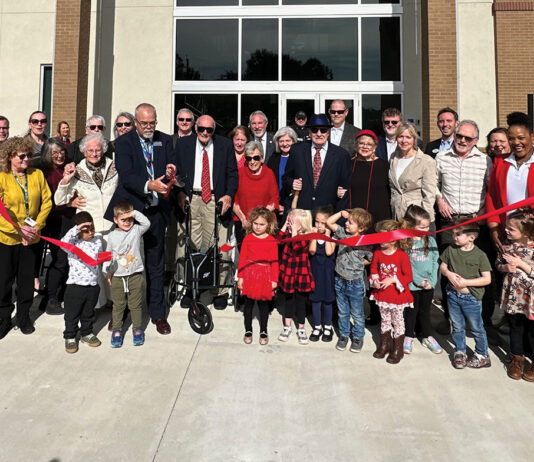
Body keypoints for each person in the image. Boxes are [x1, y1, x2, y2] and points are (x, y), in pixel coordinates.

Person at [105, 103, 176, 334]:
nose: (148, 127)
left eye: (152, 122)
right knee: (126, 264)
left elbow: (172, 167)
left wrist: (171, 172)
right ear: (135, 122)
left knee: (156, 264)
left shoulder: (164, 140)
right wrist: (148, 185)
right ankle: (122, 312)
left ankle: (157, 314)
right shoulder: (124, 143)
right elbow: (126, 176)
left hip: (156, 212)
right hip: (131, 212)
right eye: (144, 123)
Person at [174, 114, 238, 310]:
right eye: (201, 129)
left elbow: (232, 174)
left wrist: (228, 196)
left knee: (218, 246)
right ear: (195, 128)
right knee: (188, 246)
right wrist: (179, 194)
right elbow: (175, 173)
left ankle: (219, 290)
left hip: (214, 199)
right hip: (191, 198)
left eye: (209, 130)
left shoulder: (224, 145)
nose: (204, 133)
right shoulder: (183, 144)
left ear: (213, 131)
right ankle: (190, 288)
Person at [436, 119, 493, 333]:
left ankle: (484, 322)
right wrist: (440, 200)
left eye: (467, 138)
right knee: (448, 269)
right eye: (459, 136)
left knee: (481, 269)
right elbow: (434, 184)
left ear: (475, 141)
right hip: (450, 222)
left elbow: (491, 189)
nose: (461, 140)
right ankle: (451, 319)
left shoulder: (484, 160)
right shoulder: (441, 157)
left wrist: (483, 211)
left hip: (475, 222)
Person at [0, 137, 52, 339]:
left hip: (32, 238)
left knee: (26, 280)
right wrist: (17, 230)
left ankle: (23, 316)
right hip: (7, 238)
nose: (26, 160)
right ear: (10, 156)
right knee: (4, 281)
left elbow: (47, 201)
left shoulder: (36, 174)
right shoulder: (3, 177)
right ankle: (4, 317)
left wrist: (36, 226)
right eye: (21, 156)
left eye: (29, 155)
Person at [440, 223, 492, 369]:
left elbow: (487, 279)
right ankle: (460, 351)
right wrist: (448, 274)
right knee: (457, 326)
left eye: (458, 234)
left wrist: (466, 282)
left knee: (476, 328)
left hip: (471, 299)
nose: (454, 237)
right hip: (452, 295)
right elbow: (443, 266)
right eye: (453, 233)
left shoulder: (480, 255)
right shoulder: (451, 249)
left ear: (471, 237)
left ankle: (482, 355)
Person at [282, 113, 351, 212]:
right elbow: (286, 178)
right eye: (314, 130)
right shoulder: (297, 150)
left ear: (328, 132)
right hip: (302, 212)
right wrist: (292, 183)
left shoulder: (341, 155)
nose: (319, 134)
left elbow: (346, 188)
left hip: (327, 214)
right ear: (309, 132)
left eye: (323, 130)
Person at [327, 208, 373, 352]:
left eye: (351, 222)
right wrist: (341, 213)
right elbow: (329, 222)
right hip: (339, 280)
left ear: (362, 228)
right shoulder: (342, 233)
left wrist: (359, 263)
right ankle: (344, 335)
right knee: (343, 311)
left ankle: (358, 336)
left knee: (357, 313)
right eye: (347, 221)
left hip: (355, 282)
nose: (346, 224)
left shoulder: (365, 241)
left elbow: (370, 259)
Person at [487, 112, 534, 253]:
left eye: (521, 138)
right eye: (511, 139)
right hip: (508, 233)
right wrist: (494, 229)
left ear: (532, 137)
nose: (516, 143)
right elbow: (492, 197)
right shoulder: (500, 162)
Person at [105, 203, 150, 348]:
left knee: (135, 305)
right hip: (117, 276)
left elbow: (146, 222)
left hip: (135, 275)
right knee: (118, 305)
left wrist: (134, 213)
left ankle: (137, 329)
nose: (127, 222)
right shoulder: (111, 236)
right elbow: (109, 256)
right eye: (123, 219)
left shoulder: (136, 230)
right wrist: (107, 271)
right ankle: (117, 330)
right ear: (115, 220)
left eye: (129, 219)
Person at [495, 210, 534, 381]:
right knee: (516, 327)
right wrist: (505, 268)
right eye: (507, 227)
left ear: (525, 232)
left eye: (511, 229)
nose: (506, 231)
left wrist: (521, 264)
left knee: (532, 330)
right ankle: (517, 358)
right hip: (513, 297)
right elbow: (498, 264)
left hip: (530, 298)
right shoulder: (507, 246)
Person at [40, 138, 76, 315]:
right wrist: (69, 204)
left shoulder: (66, 169)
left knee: (67, 259)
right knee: (60, 260)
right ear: (48, 154)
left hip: (69, 221)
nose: (60, 155)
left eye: (62, 151)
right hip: (56, 221)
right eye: (55, 152)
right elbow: (47, 202)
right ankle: (51, 298)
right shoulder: (46, 173)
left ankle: (56, 294)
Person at [370, 220, 414, 364]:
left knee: (398, 321)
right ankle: (384, 345)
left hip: (397, 296)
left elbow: (408, 277)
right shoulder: (377, 252)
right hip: (382, 294)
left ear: (394, 239)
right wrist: (375, 279)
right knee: (385, 320)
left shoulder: (401, 256)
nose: (380, 240)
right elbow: (374, 269)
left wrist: (393, 279)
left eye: (383, 237)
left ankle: (397, 349)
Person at [61, 212, 103, 354]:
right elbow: (64, 242)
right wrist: (77, 229)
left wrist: (109, 267)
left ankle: (86, 333)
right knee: (72, 314)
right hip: (75, 287)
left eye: (92, 229)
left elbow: (101, 257)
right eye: (86, 231)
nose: (90, 233)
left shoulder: (97, 240)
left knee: (88, 313)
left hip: (92, 286)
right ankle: (70, 336)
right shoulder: (73, 243)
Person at [403, 205, 442, 355]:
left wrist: (431, 281)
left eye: (427, 227)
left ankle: (426, 335)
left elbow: (435, 260)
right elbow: (407, 265)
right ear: (410, 225)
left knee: (425, 311)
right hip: (413, 285)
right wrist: (419, 281)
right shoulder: (406, 242)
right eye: (421, 227)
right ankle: (408, 335)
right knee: (411, 312)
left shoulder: (430, 241)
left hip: (428, 285)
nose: (425, 230)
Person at [237, 207, 278, 346]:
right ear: (251, 223)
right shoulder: (248, 239)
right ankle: (248, 330)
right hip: (249, 274)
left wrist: (274, 280)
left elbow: (274, 262)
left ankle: (263, 330)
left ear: (268, 225)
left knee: (263, 305)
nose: (258, 227)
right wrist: (240, 277)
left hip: (264, 276)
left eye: (262, 224)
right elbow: (242, 258)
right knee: (248, 304)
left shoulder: (272, 240)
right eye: (255, 224)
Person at [338, 129, 391, 224]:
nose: (365, 147)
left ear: (375, 147)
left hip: (379, 217)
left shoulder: (384, 166)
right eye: (361, 143)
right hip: (354, 218)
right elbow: (340, 185)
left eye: (369, 144)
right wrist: (338, 191)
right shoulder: (348, 164)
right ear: (356, 145)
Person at [278, 209, 314, 344]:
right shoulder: (288, 233)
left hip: (301, 272)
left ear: (301, 224)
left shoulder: (306, 236)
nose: (289, 223)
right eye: (289, 220)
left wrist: (294, 232)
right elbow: (278, 241)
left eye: (292, 221)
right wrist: (284, 226)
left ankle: (301, 327)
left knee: (300, 302)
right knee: (288, 300)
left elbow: (298, 246)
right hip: (288, 272)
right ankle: (287, 326)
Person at [389, 122, 437, 222]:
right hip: (396, 214)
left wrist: (424, 219)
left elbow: (429, 194)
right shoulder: (394, 158)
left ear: (414, 139)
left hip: (416, 216)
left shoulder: (426, 161)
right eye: (400, 137)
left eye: (408, 137)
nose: (404, 141)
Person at [233, 141, 279, 245]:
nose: (252, 161)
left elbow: (274, 200)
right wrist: (244, 220)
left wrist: (260, 221)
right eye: (249, 158)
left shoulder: (269, 173)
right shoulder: (240, 173)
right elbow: (234, 200)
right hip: (243, 223)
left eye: (256, 158)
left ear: (262, 158)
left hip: (264, 224)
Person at [309, 206, 336, 343]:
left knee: (327, 300)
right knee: (315, 299)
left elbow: (329, 252)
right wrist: (314, 236)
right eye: (317, 222)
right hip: (316, 272)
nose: (319, 225)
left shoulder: (332, 237)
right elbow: (312, 251)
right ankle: (317, 326)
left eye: (323, 223)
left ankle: (327, 326)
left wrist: (326, 235)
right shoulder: (312, 236)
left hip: (327, 273)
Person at [267, 126, 297, 219]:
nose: (284, 144)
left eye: (288, 141)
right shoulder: (273, 158)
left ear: (293, 141)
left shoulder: (299, 158)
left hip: (293, 204)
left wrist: (288, 206)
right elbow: (269, 184)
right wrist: (276, 204)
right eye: (281, 141)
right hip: (276, 204)